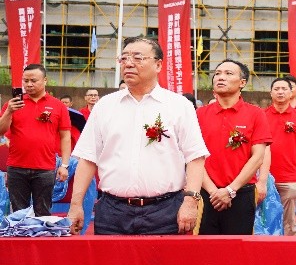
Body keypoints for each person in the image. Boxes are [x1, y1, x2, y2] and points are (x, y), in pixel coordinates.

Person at [67, 37, 209, 235]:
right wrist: (76, 204)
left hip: (166, 211)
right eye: (124, 58)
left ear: (158, 65)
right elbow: (88, 158)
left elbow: (195, 157)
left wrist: (190, 201)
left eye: (138, 57)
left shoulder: (178, 105)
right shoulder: (105, 106)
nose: (129, 63)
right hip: (112, 211)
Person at [196, 60, 271, 235]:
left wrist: (230, 190)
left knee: (238, 252)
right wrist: (214, 192)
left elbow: (258, 157)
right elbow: (194, 156)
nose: (221, 77)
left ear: (242, 82)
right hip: (206, 193)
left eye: (229, 74)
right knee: (204, 252)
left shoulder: (255, 114)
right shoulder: (199, 114)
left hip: (241, 193)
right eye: (218, 73)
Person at [0, 64, 72, 216]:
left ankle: (41, 239)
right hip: (16, 167)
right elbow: (1, 131)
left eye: (33, 80)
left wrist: (64, 164)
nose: (29, 84)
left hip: (45, 168)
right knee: (19, 213)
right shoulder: (12, 104)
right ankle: (20, 239)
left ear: (45, 80)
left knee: (43, 212)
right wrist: (8, 112)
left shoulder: (58, 106)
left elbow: (65, 136)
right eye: (25, 81)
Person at [260, 75, 296, 235]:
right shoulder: (262, 116)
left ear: (292, 93)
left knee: (289, 224)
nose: (280, 92)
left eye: (284, 89)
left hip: (290, 177)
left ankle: (290, 256)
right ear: (271, 93)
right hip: (265, 179)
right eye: (276, 89)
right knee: (265, 223)